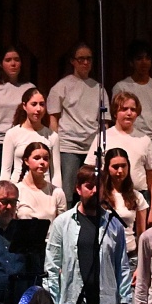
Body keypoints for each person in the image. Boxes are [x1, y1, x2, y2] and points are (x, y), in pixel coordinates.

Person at [43, 164, 132, 304]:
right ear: (78, 189)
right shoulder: (62, 223)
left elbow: (122, 267)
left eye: (99, 187)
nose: (95, 191)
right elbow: (52, 266)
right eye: (89, 187)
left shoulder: (114, 224)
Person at [45, 44, 103, 193]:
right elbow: (53, 119)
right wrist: (55, 146)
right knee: (68, 191)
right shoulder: (61, 86)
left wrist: (103, 147)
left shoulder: (98, 88)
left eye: (88, 59)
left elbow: (104, 122)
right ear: (72, 61)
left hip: (92, 146)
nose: (85, 63)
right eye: (81, 59)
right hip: (68, 146)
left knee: (92, 190)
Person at [92, 92, 152, 212]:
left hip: (138, 197)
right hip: (110, 196)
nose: (129, 113)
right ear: (115, 113)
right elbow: (92, 168)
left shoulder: (144, 139)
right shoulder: (103, 137)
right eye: (124, 109)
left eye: (133, 110)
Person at [111, 40, 152, 158]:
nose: (144, 62)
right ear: (131, 62)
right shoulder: (121, 87)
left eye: (147, 58)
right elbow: (114, 115)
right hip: (129, 139)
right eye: (139, 58)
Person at [0, 85, 59, 191]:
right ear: (24, 106)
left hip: (44, 190)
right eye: (34, 104)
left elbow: (56, 173)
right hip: (18, 189)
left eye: (42, 104)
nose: (38, 109)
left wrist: (57, 194)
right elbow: (5, 170)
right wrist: (4, 193)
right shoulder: (12, 134)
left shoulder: (52, 136)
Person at [96, 147, 146, 234]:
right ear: (107, 168)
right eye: (115, 167)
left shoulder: (137, 196)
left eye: (123, 166)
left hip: (129, 246)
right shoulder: (99, 195)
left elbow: (141, 233)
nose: (120, 171)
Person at [14, 141, 65, 220]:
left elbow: (62, 225)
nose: (42, 162)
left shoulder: (57, 192)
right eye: (36, 158)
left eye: (45, 159)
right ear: (26, 161)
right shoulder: (17, 191)